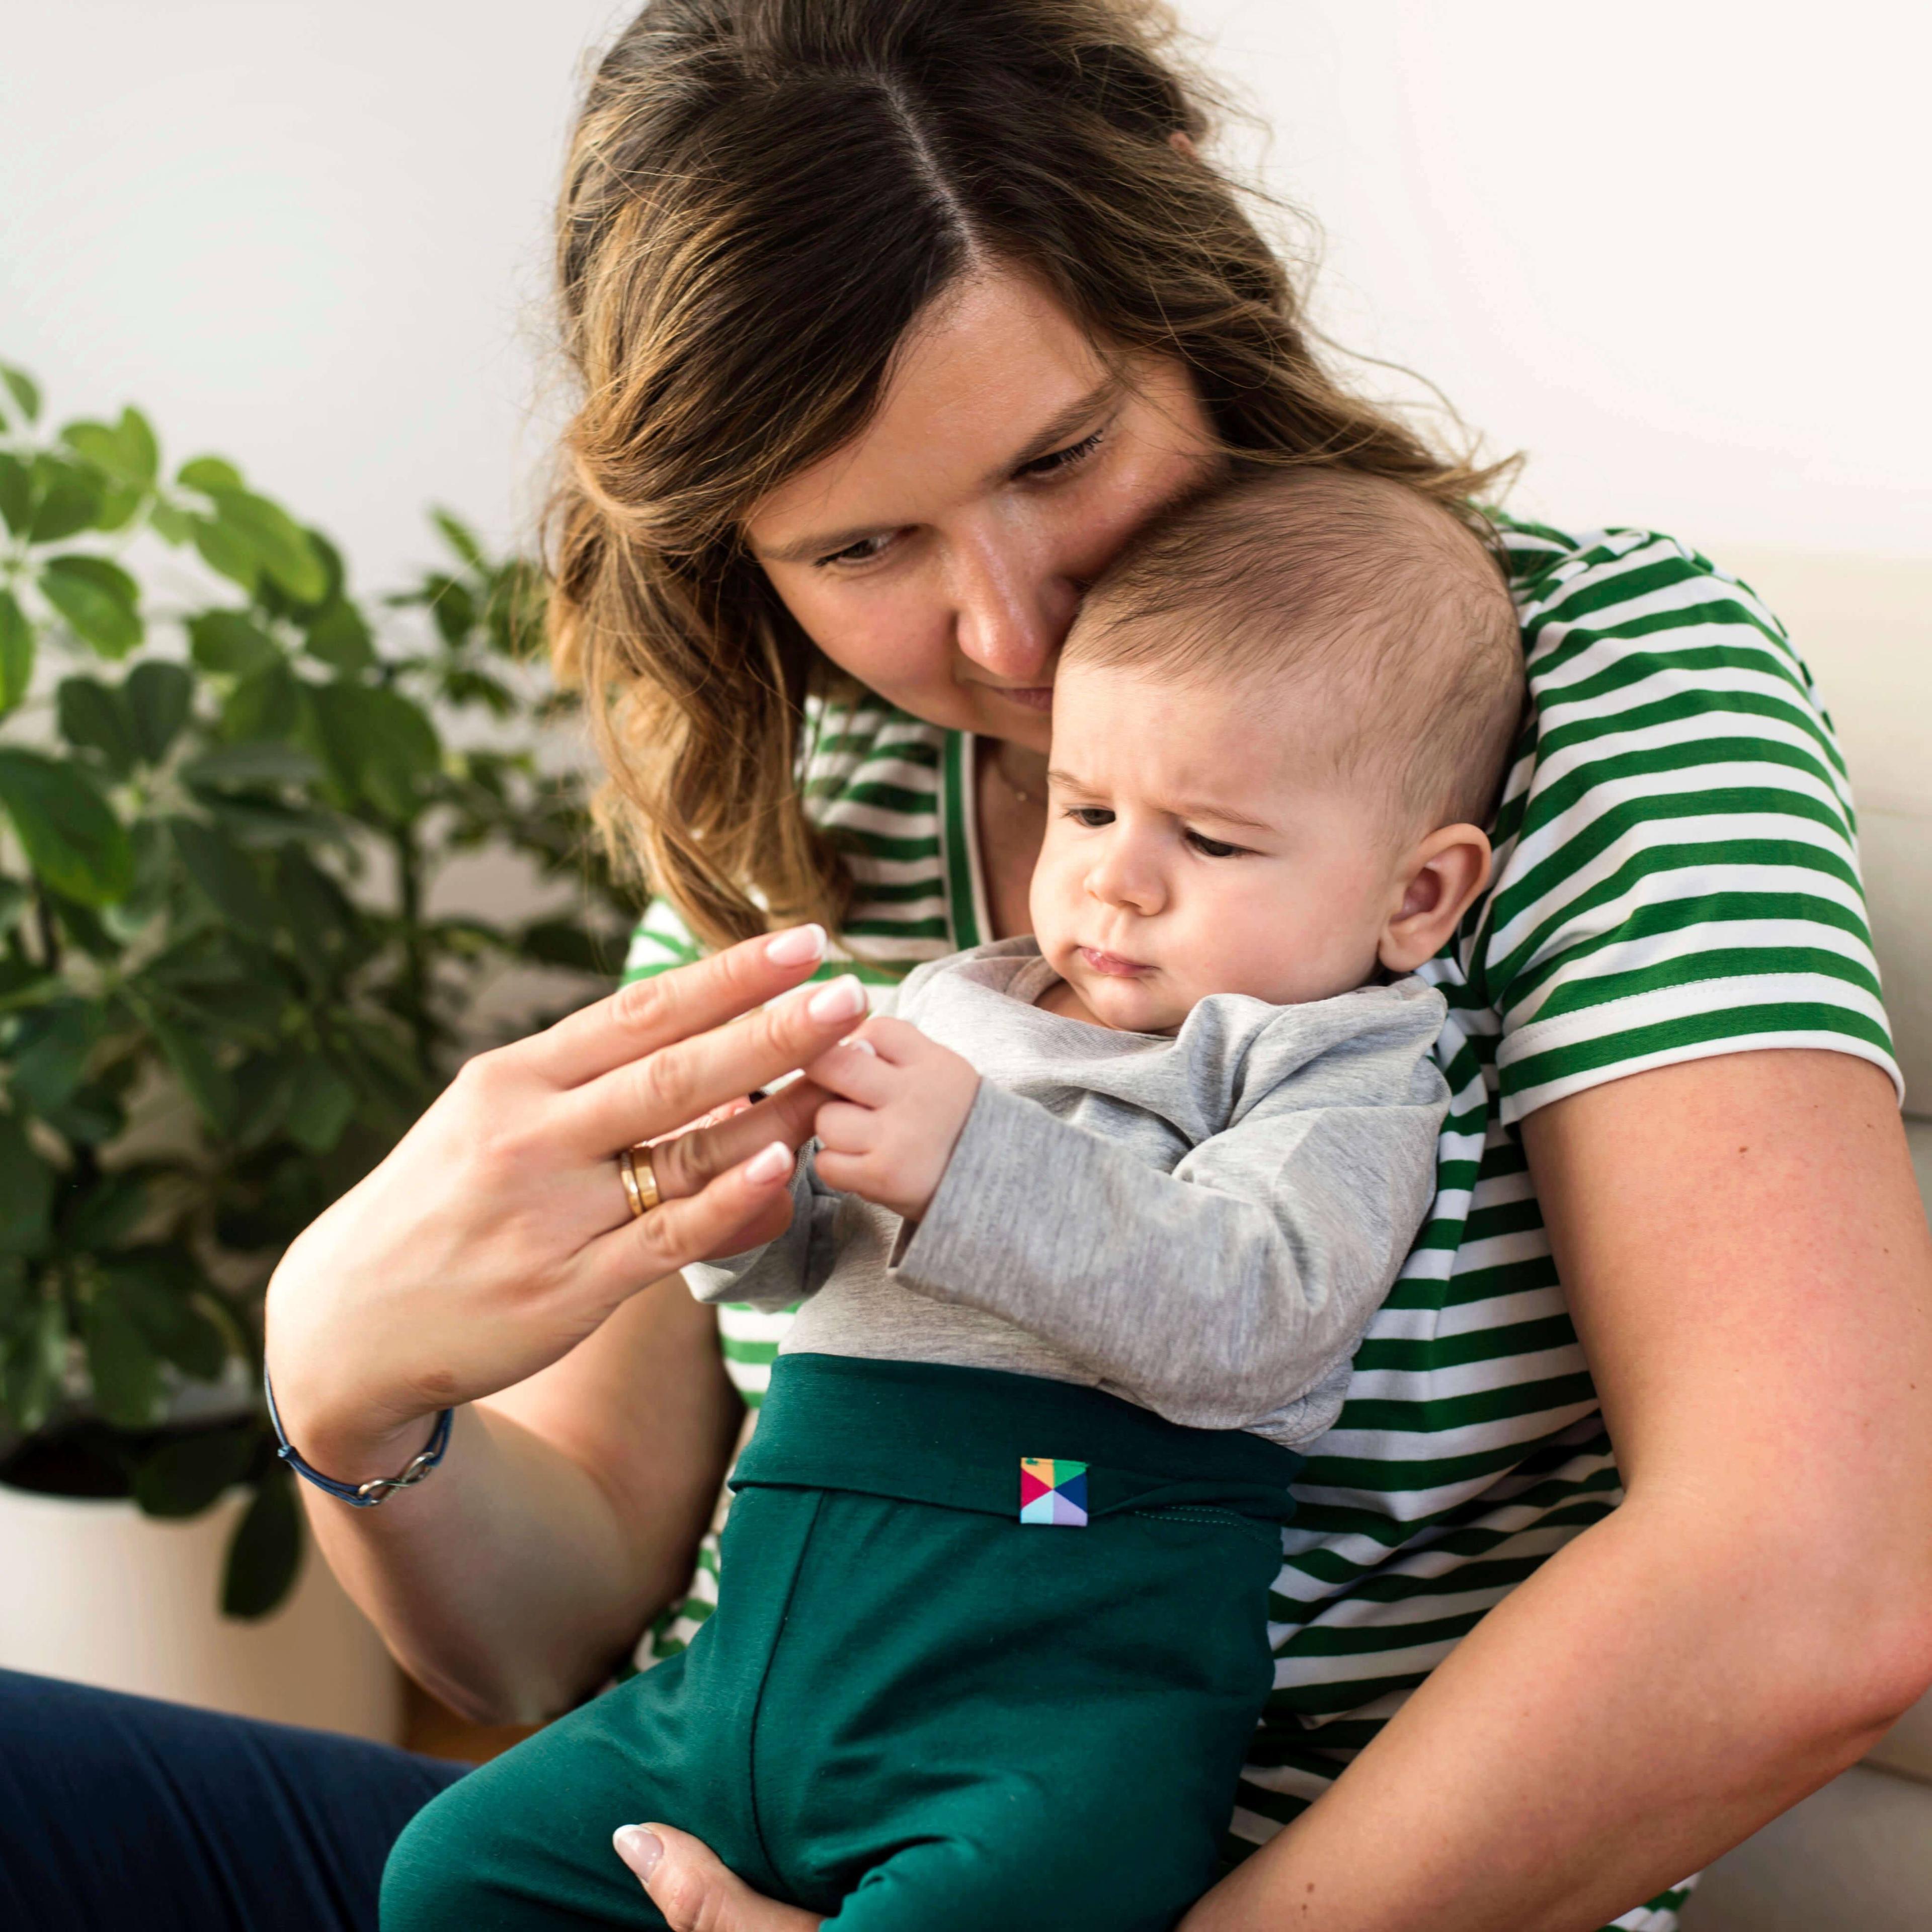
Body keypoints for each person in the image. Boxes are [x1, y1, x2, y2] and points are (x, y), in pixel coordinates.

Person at [5, 5, 1928, 1931]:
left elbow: (1811, 1586)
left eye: (1062, 451)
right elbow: (549, 1630)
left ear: (1189, 285)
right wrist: (348, 1382)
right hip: (715, 1823)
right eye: (860, 546)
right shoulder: (826, 783)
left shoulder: (1580, 683)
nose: (1011, 630)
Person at [379, 466, 1518, 1930]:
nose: (1117, 882)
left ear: (1417, 897)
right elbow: (818, 1269)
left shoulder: (1337, 1066)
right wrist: (745, 1207)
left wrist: (969, 1161)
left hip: (1040, 1710)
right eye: (1088, 807)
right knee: (455, 1875)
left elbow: (1257, 1313)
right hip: (757, 1669)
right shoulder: (959, 1001)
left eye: (1213, 840)